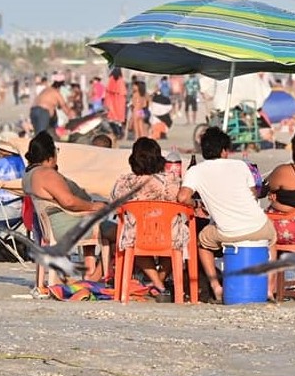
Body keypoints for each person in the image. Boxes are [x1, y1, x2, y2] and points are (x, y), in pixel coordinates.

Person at [177, 127, 276, 302]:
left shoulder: (196, 171)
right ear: (224, 151)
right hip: (259, 226)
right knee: (272, 240)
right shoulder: (241, 165)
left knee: (202, 242)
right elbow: (253, 194)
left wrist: (197, 203)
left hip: (228, 232)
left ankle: (216, 287)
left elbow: (182, 197)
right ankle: (269, 288)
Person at [22, 131, 115, 280]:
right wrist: (93, 206)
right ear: (50, 154)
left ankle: (92, 272)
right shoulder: (47, 174)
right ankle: (96, 277)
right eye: (56, 150)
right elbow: (69, 202)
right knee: (119, 233)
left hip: (50, 228)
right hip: (64, 228)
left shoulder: (29, 174)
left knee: (100, 224)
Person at [111, 137, 185, 298]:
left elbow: (115, 200)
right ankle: (160, 283)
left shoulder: (126, 182)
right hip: (169, 236)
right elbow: (180, 199)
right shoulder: (171, 180)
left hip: (138, 236)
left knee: (135, 238)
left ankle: (157, 284)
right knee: (175, 243)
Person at [30, 73, 73, 139]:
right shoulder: (56, 93)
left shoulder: (46, 90)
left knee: (37, 133)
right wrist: (70, 116)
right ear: (60, 86)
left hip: (33, 111)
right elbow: (64, 106)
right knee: (41, 135)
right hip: (42, 112)